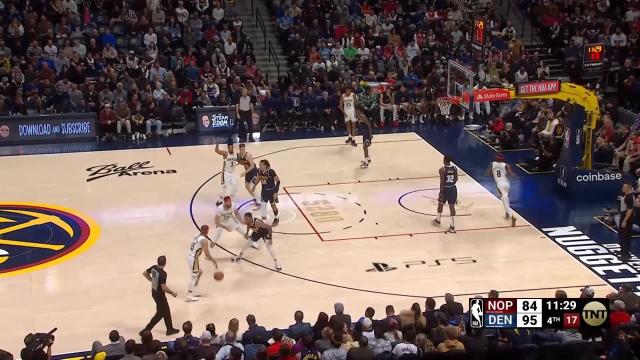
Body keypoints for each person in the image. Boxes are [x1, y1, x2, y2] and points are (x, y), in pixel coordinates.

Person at [141, 256, 179, 336]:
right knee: (161, 313)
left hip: (154, 292)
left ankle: (169, 329)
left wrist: (151, 280)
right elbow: (164, 287)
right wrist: (172, 293)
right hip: (160, 295)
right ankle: (146, 330)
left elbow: (145, 273)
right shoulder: (163, 274)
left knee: (164, 312)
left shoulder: (154, 267)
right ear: (165, 263)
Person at [187, 225, 218, 302]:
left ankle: (194, 288)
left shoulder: (197, 235)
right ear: (207, 231)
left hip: (190, 256)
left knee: (200, 272)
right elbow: (207, 254)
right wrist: (213, 261)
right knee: (194, 276)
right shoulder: (204, 240)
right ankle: (189, 295)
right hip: (194, 259)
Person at [490, 153, 516, 226]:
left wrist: (494, 174)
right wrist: (513, 175)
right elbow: (510, 174)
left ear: (496, 158)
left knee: (504, 200)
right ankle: (507, 213)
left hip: (499, 184)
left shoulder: (492, 164)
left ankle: (511, 216)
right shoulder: (506, 165)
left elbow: (489, 174)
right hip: (506, 184)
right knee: (506, 198)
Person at [433, 156, 458, 233]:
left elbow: (442, 182)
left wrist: (441, 192)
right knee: (452, 206)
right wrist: (451, 184)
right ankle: (452, 226)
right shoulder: (454, 168)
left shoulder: (442, 170)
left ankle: (438, 220)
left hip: (445, 189)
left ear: (444, 160)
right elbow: (456, 179)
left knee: (440, 204)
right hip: (453, 188)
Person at [253, 160, 281, 226]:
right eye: (259, 165)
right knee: (263, 207)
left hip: (272, 191)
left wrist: (276, 192)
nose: (259, 166)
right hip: (264, 192)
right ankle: (264, 222)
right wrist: (254, 186)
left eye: (261, 165)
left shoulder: (270, 172)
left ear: (265, 166)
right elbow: (259, 178)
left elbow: (278, 181)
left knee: (273, 206)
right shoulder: (259, 171)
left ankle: (276, 218)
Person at [215, 142, 239, 206]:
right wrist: (217, 144)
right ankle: (219, 200)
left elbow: (241, 159)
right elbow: (217, 151)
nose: (230, 149)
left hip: (233, 173)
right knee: (225, 188)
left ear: (233, 148)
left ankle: (230, 199)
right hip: (226, 173)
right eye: (229, 148)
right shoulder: (226, 153)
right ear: (228, 148)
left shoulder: (236, 154)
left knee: (235, 187)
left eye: (231, 147)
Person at [619, 182, 635, 260]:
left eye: (624, 187)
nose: (622, 188)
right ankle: (623, 251)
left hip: (627, 218)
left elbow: (630, 209)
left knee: (625, 236)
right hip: (624, 216)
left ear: (628, 188)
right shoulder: (627, 195)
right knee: (622, 235)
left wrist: (625, 220)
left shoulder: (629, 197)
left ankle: (626, 255)